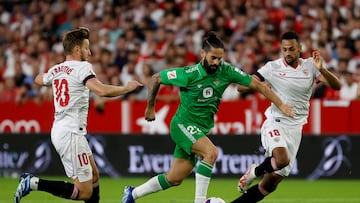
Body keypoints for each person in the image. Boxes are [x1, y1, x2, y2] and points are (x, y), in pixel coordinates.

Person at [121, 31, 295, 203]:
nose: (217, 62)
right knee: (211, 153)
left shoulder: (226, 71)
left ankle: (132, 194)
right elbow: (156, 78)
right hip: (182, 124)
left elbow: (258, 85)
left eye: (220, 58)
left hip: (199, 128)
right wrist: (150, 107)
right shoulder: (189, 74)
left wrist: (281, 105)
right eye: (213, 58)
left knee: (174, 178)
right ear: (202, 54)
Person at [13, 27, 142, 203]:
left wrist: (49, 76)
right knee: (85, 192)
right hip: (71, 133)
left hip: (65, 130)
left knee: (94, 176)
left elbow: (38, 78)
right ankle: (33, 183)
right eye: (86, 48)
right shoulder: (82, 67)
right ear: (76, 49)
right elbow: (101, 90)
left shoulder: (58, 69)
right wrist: (126, 88)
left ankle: (33, 183)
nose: (89, 52)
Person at [231, 31, 341, 203]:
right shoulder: (272, 68)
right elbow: (241, 88)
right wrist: (260, 85)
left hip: (295, 129)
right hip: (276, 122)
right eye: (284, 49)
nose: (288, 53)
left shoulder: (311, 66)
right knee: (281, 159)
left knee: (269, 185)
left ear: (299, 48)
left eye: (291, 49)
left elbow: (337, 86)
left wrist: (322, 70)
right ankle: (254, 172)